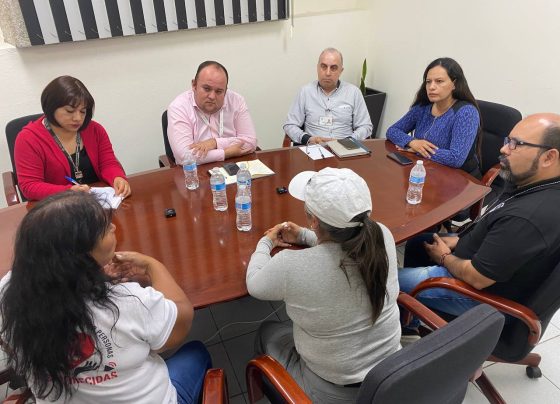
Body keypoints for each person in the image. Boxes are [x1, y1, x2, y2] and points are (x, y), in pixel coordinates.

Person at [0, 192, 211, 403]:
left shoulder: (7, 294)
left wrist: (92, 276)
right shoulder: (124, 302)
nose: (114, 227)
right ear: (83, 253)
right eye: (104, 228)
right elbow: (180, 323)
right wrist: (152, 266)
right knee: (196, 353)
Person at [246, 168, 400, 403]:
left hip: (333, 392)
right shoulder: (382, 235)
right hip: (391, 376)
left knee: (267, 331)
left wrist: (266, 242)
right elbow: (344, 244)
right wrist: (305, 236)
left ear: (314, 221)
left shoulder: (290, 265)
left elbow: (254, 284)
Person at [399, 113, 560, 324]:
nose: (504, 149)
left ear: (549, 157)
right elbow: (494, 224)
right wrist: (460, 240)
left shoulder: (527, 218)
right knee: (419, 243)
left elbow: (477, 278)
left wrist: (444, 257)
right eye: (508, 140)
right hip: (479, 260)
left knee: (381, 280)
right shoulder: (530, 183)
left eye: (516, 144)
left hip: (482, 298)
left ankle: (407, 310)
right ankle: (410, 320)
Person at [14, 76, 131, 201]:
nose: (78, 118)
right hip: (56, 206)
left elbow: (108, 163)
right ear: (51, 107)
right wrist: (68, 192)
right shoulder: (28, 139)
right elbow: (30, 187)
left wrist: (117, 177)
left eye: (83, 111)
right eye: (70, 111)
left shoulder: (95, 130)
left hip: (99, 202)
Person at [386, 57, 481, 177]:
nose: (431, 87)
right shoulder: (422, 108)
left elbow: (455, 158)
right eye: (428, 82)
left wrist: (419, 150)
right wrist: (412, 142)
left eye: (439, 81)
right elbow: (392, 131)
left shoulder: (466, 112)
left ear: (454, 84)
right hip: (426, 171)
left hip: (460, 179)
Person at [167, 61, 257, 165]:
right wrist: (226, 153)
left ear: (225, 91)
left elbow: (251, 142)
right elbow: (185, 156)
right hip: (198, 170)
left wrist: (215, 143)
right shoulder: (179, 107)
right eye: (207, 89)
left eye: (219, 91)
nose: (212, 96)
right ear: (194, 85)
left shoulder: (236, 101)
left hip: (235, 165)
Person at [283, 48, 373, 146]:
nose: (328, 73)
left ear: (341, 71)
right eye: (324, 67)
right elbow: (290, 125)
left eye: (333, 68)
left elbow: (366, 126)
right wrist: (308, 139)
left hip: (345, 148)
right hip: (313, 148)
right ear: (317, 68)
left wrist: (348, 141)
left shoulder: (354, 93)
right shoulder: (305, 92)